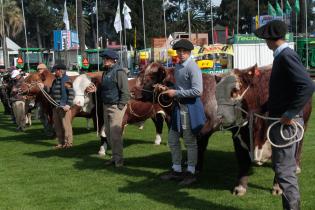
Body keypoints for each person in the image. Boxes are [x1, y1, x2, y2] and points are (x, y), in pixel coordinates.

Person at [254, 20, 315, 210]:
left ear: (270, 39)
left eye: (265, 38)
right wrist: (264, 108)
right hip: (282, 122)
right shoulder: (282, 56)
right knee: (283, 171)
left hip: (286, 125)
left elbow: (307, 86)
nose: (264, 41)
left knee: (285, 173)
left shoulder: (286, 56)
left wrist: (289, 113)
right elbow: (285, 90)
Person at [160, 39, 206, 186]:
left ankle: (191, 172)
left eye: (183, 52)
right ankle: (177, 169)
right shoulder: (178, 66)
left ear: (189, 52)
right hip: (178, 108)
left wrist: (176, 92)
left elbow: (198, 91)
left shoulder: (193, 67)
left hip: (189, 108)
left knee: (189, 142)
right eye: (178, 51)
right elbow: (179, 86)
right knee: (172, 140)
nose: (180, 54)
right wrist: (166, 88)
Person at [100, 49, 129, 167]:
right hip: (106, 105)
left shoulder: (119, 72)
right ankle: (114, 156)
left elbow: (125, 92)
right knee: (108, 132)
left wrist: (120, 106)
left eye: (107, 59)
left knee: (115, 134)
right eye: (104, 59)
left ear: (114, 60)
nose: (104, 60)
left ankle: (119, 160)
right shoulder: (105, 72)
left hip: (116, 106)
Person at [50, 64, 74, 149]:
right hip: (56, 107)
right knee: (58, 126)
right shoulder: (55, 81)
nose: (54, 72)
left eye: (55, 70)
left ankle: (68, 143)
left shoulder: (67, 80)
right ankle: (60, 143)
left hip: (64, 107)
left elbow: (71, 93)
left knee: (66, 126)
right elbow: (51, 93)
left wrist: (68, 104)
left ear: (60, 71)